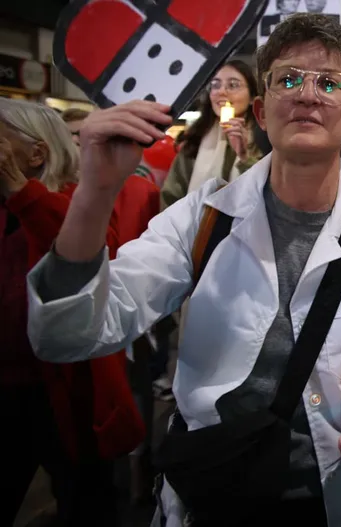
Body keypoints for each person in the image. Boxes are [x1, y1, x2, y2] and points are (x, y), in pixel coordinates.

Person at [25, 13, 341, 527]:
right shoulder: (203, 219)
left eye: (329, 83)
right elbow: (69, 334)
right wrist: (95, 190)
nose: (307, 95)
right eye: (288, 79)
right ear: (260, 111)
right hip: (217, 491)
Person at [1, 99, 140, 527]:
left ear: (36, 153)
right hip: (9, 388)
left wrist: (17, 189)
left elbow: (88, 254)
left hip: (68, 393)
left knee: (87, 505)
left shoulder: (72, 205)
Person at [160, 59, 262, 208]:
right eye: (215, 85)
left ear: (252, 97)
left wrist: (244, 156)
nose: (221, 91)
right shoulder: (195, 139)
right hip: (195, 229)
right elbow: (172, 196)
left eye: (233, 85)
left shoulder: (267, 138)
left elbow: (270, 193)